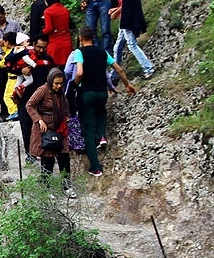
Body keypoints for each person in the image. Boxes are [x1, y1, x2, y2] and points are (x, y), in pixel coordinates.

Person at [71, 27, 136, 177]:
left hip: (86, 92)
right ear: (93, 38)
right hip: (102, 92)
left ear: (81, 38)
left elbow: (79, 72)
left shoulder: (80, 52)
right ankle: (101, 136)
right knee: (101, 113)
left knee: (87, 129)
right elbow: (118, 68)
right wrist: (127, 84)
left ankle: (95, 167)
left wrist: (75, 84)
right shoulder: (102, 52)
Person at [26, 69, 74, 197]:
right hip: (45, 129)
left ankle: (67, 187)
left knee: (64, 157)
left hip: (59, 128)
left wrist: (66, 116)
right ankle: (46, 189)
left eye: (61, 83)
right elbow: (29, 105)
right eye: (56, 83)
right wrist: (39, 120)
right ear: (50, 80)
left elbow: (65, 104)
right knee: (47, 160)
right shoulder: (42, 90)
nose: (59, 86)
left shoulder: (60, 92)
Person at [107, 0, 155, 79]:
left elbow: (128, 4)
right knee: (117, 47)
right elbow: (123, 3)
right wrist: (115, 10)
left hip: (127, 20)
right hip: (124, 20)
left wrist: (116, 12)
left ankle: (148, 67)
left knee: (131, 44)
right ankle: (114, 74)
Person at [16, 34, 56, 162]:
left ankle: (46, 152)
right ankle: (30, 154)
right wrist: (21, 71)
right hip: (26, 99)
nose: (41, 50)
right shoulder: (23, 56)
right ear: (34, 44)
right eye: (38, 47)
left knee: (44, 126)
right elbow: (10, 67)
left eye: (44, 47)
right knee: (26, 125)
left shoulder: (49, 60)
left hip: (43, 100)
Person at [0, 6, 23, 120]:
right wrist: (0, 56)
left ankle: (19, 110)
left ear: (4, 14)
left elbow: (22, 39)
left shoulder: (14, 25)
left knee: (16, 86)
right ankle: (5, 112)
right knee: (2, 88)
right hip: (0, 61)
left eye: (0, 18)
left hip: (14, 61)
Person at [42, 0, 74, 69]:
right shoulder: (65, 10)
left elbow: (49, 28)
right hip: (67, 41)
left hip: (54, 43)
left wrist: (41, 32)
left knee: (52, 67)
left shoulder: (48, 11)